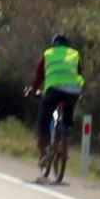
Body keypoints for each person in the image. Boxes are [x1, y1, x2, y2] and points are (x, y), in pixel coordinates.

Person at [30, 33, 84, 164]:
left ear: (54, 44)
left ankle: (43, 153)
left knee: (43, 120)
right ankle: (64, 142)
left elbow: (39, 75)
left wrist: (33, 89)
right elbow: (79, 72)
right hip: (73, 90)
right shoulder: (75, 54)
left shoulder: (48, 53)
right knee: (68, 114)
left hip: (54, 90)